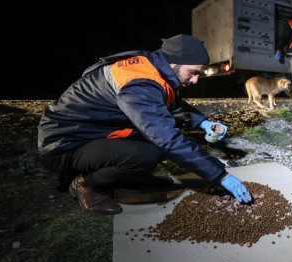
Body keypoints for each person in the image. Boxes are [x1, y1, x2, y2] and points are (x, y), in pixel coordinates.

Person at [38, 34, 252, 215]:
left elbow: (169, 102)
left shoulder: (152, 66)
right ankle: (85, 184)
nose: (196, 81)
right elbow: (167, 138)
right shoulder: (139, 84)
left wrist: (204, 123)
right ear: (173, 64)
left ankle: (123, 177)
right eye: (193, 73)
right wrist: (219, 175)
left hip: (92, 131)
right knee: (149, 153)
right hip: (63, 144)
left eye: (199, 73)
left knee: (148, 139)